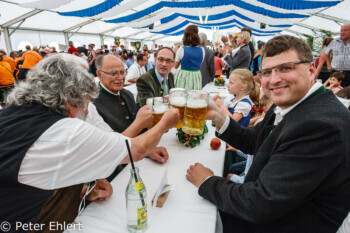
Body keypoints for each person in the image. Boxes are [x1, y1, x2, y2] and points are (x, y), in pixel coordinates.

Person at [186, 35, 350, 233]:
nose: (274, 79)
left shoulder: (319, 125)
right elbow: (255, 140)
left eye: (286, 68)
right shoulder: (291, 103)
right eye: (267, 72)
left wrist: (207, 181)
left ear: (311, 70)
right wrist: (218, 115)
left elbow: (261, 203)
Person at [0, 54, 179, 232]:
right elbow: (135, 150)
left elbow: (28, 178)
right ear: (70, 95)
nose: (86, 110)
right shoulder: (63, 131)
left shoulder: (13, 114)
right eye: (85, 101)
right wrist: (165, 123)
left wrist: (81, 192)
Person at [174, 25, 205, 90]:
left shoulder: (181, 49)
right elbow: (200, 63)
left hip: (184, 76)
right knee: (195, 96)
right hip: (196, 75)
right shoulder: (202, 50)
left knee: (183, 95)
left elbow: (175, 66)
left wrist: (175, 53)